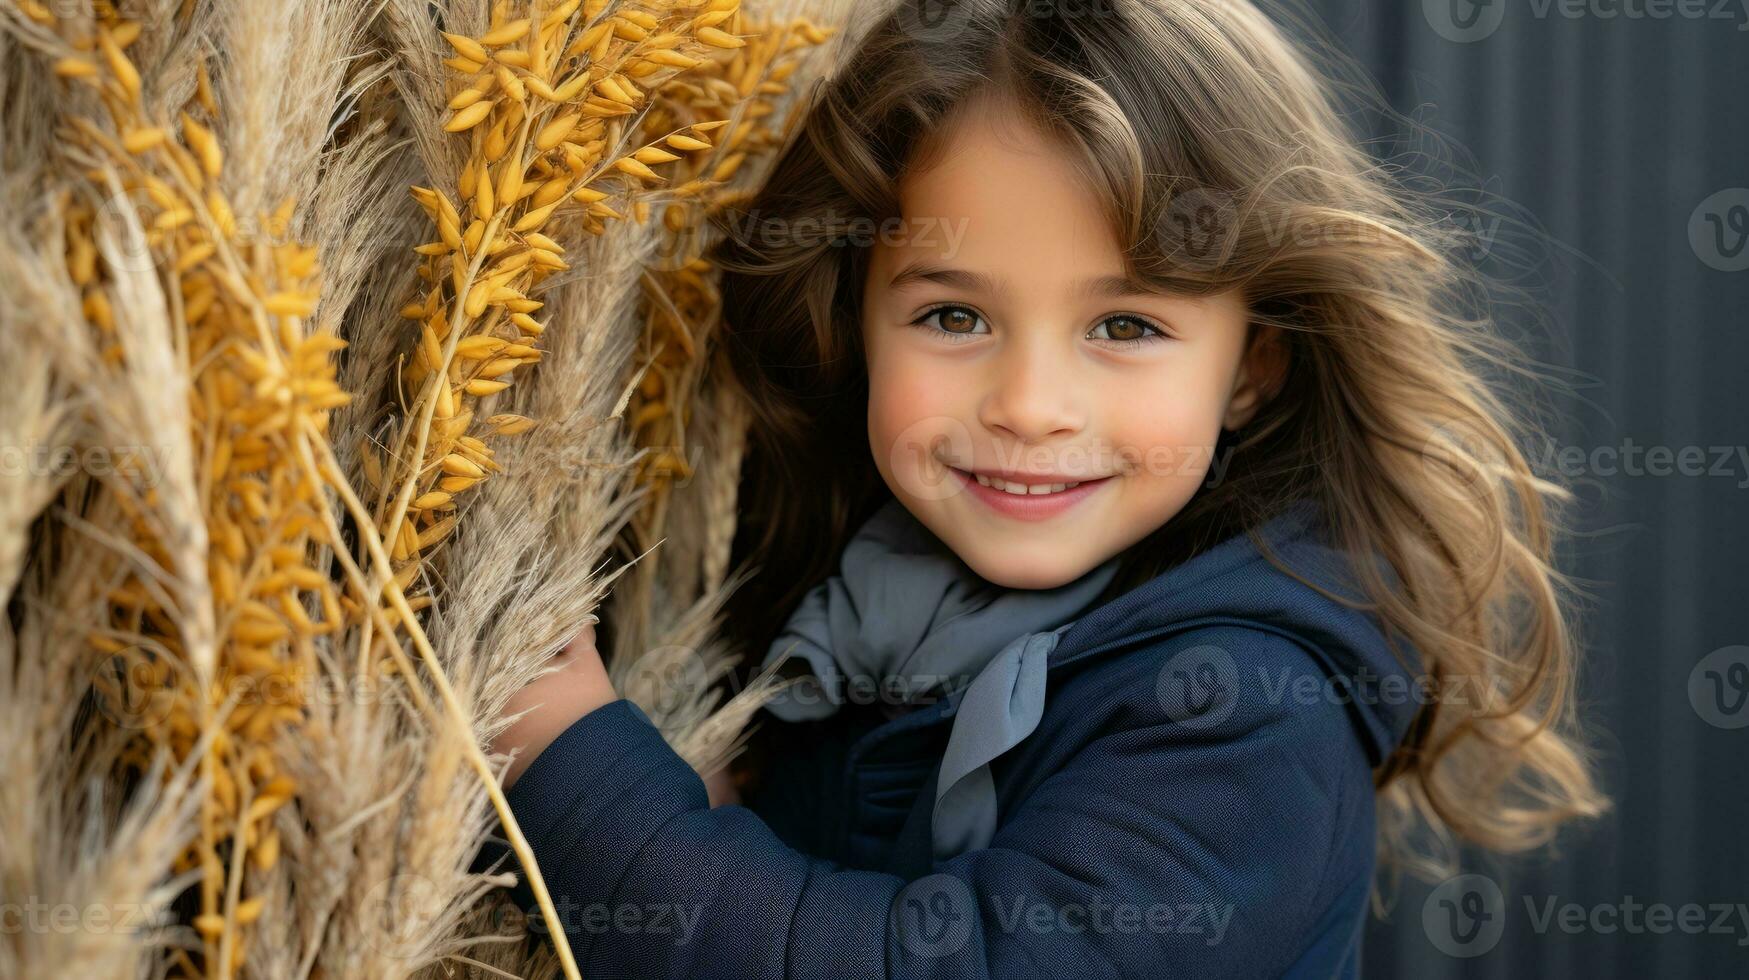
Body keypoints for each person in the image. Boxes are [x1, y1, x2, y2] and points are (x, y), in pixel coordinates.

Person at [482, 1, 1608, 975]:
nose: (1030, 404)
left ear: (1252, 367)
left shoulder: (1247, 715)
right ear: (858, 319)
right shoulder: (854, 588)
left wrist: (576, 765)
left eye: (1125, 324)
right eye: (954, 315)